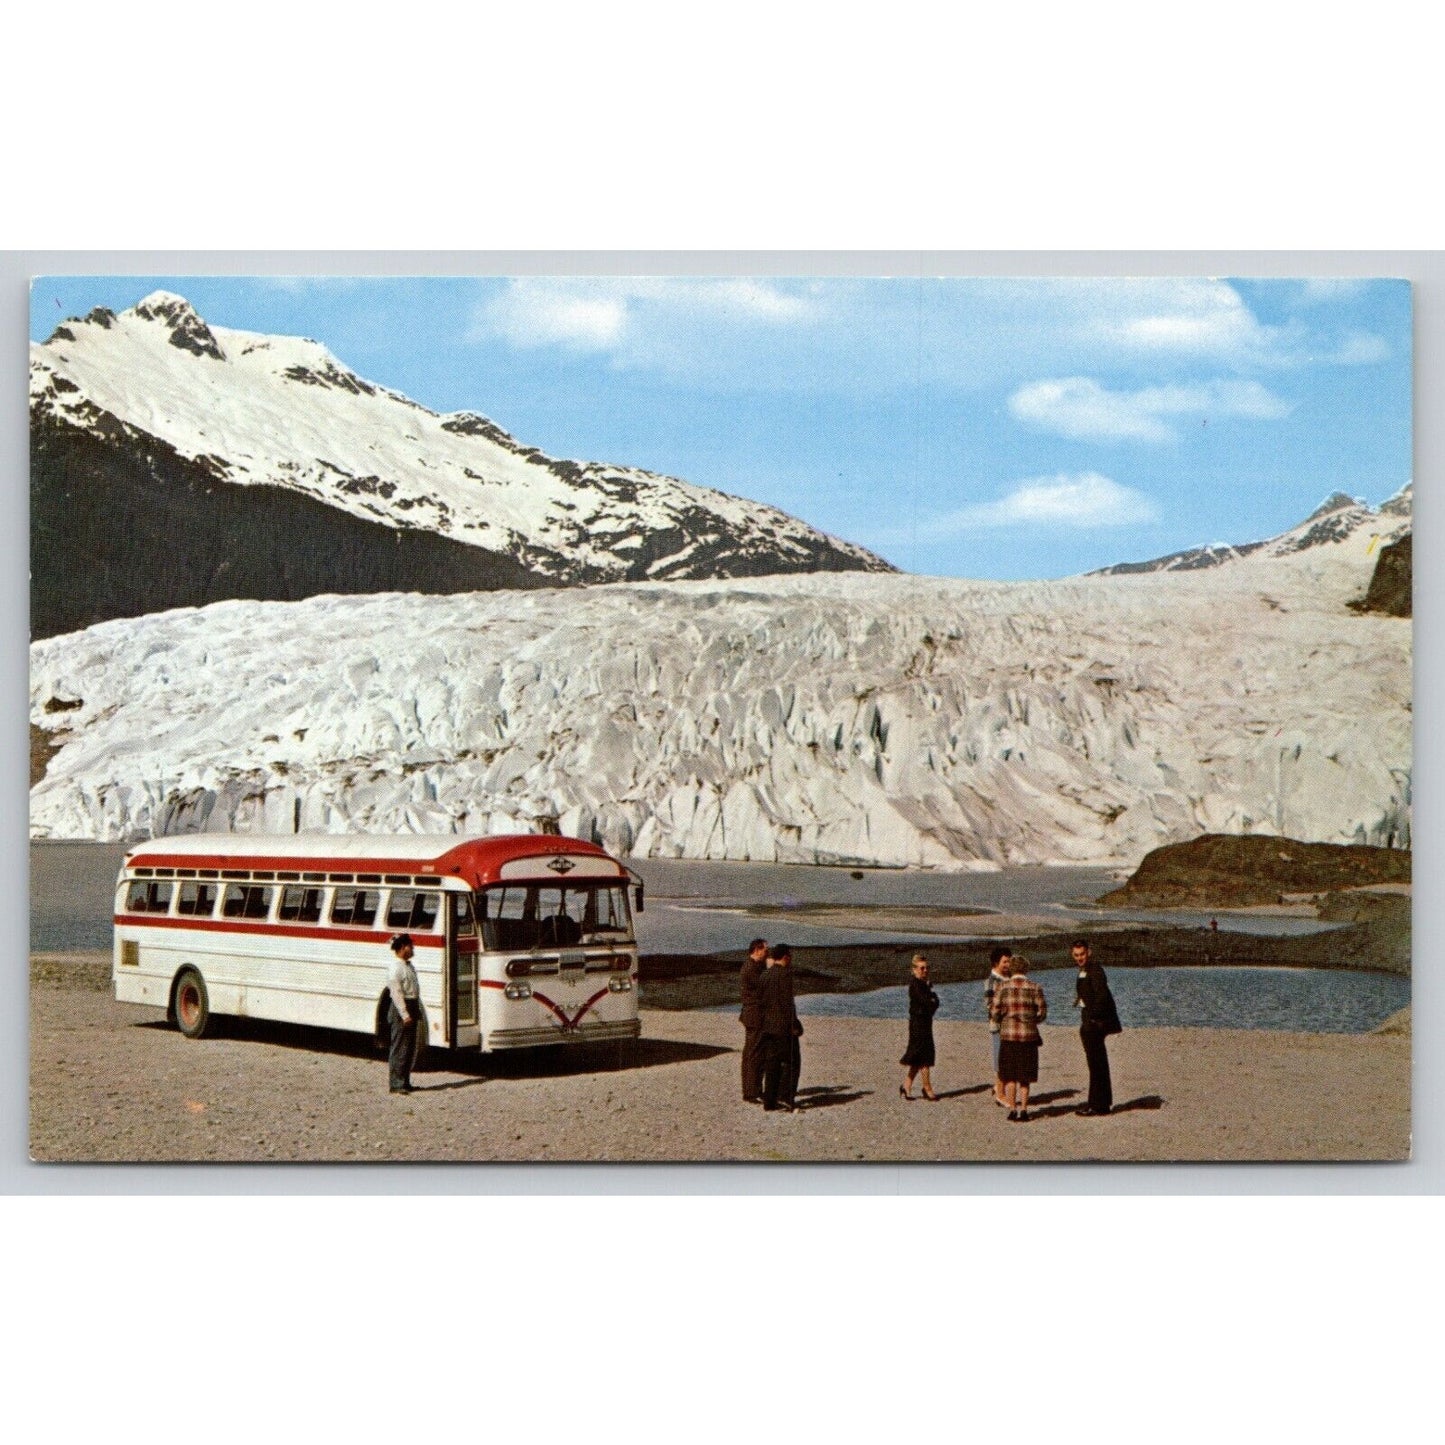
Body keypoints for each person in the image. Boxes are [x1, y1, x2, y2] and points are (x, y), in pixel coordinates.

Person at [990, 952, 1046, 1122]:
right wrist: (1032, 1020)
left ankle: (1012, 1109)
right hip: (1028, 1037)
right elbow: (1042, 1012)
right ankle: (1024, 1109)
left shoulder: (1002, 987)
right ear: (1026, 969)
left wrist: (1002, 1020)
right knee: (1025, 1077)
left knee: (1011, 1075)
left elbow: (994, 1011)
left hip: (1008, 1035)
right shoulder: (1035, 987)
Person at [1072, 939, 1121, 1116]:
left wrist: (1093, 1017)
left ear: (1089, 952)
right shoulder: (1085, 971)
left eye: (1082, 954)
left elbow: (1102, 997)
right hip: (1090, 1022)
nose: (1079, 958)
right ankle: (1099, 1103)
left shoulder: (1096, 970)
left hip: (1095, 1024)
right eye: (1076, 955)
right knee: (1096, 1063)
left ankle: (1098, 1104)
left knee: (1097, 1063)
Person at [758, 943, 802, 1112]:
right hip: (783, 1026)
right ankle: (784, 1096)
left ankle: (769, 1101)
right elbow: (787, 1003)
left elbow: (761, 1001)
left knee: (772, 1063)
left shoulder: (764, 975)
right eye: (789, 956)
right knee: (792, 1062)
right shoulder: (785, 975)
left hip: (768, 1026)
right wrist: (794, 1024)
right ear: (785, 957)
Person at [899, 954, 940, 1100]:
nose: (925, 970)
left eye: (927, 968)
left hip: (925, 1023)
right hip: (918, 1025)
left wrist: (932, 1000)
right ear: (914, 970)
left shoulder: (923, 985)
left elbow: (933, 1004)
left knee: (919, 1057)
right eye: (922, 968)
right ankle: (927, 1087)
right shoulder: (915, 985)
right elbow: (928, 1003)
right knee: (923, 1057)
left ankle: (906, 1085)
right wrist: (933, 1000)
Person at [386, 932, 422, 1095]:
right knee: (400, 1046)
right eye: (410, 946)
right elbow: (396, 993)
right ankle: (396, 1083)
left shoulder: (409, 966)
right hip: (402, 1008)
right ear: (402, 948)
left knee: (409, 1047)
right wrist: (404, 1014)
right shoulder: (396, 968)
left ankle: (405, 1081)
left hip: (412, 1004)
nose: (412, 948)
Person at [739, 937, 769, 1103]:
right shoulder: (751, 968)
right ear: (757, 950)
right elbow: (763, 986)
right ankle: (751, 1092)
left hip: (754, 1015)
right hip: (754, 1016)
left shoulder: (756, 966)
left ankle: (755, 1089)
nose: (767, 953)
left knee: (754, 1053)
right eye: (765, 950)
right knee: (753, 1054)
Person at [983, 946, 1013, 1106]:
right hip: (999, 1026)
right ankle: (1000, 1094)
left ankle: (999, 1088)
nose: (1008, 964)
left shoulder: (1010, 978)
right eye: (1005, 961)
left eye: (1009, 961)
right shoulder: (991, 981)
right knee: (1001, 1059)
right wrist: (1006, 1011)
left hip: (1011, 1026)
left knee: (1009, 1058)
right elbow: (989, 1004)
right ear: (996, 963)